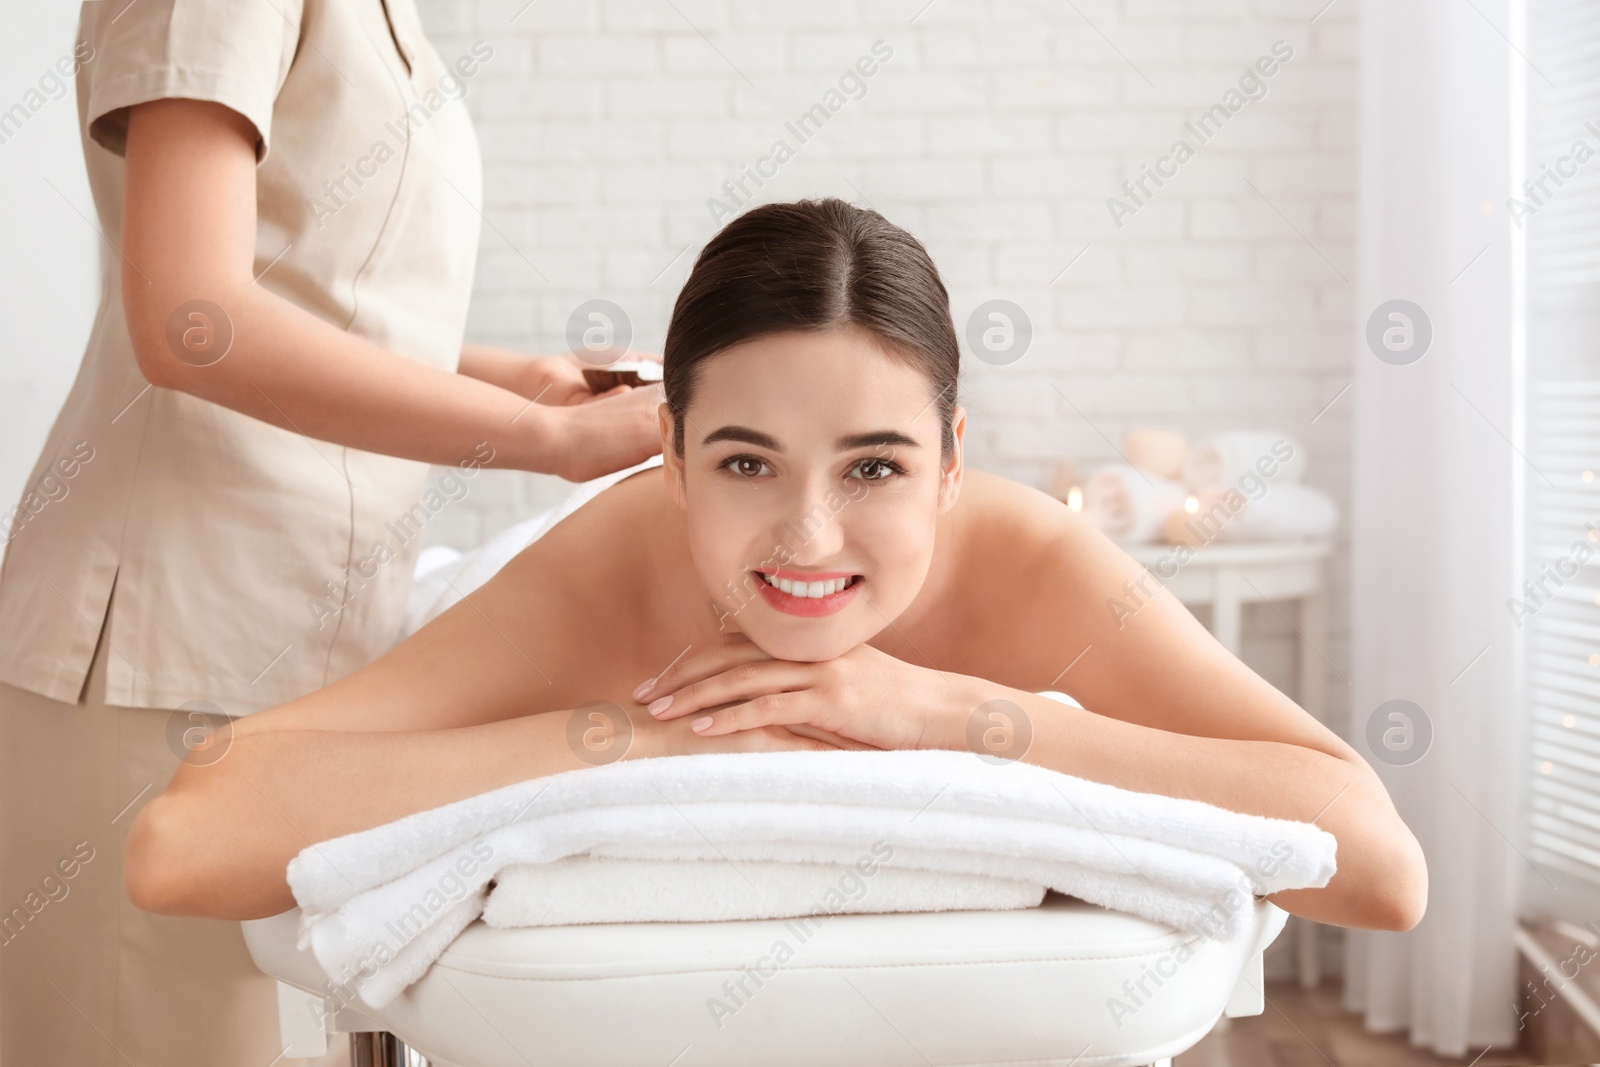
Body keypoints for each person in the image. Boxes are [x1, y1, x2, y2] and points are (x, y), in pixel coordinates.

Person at [126, 197, 1429, 939]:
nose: (808, 538)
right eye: (747, 464)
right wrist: (632, 736)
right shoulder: (610, 571)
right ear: (674, 457)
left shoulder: (1030, 557)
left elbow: (1379, 863)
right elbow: (185, 839)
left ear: (953, 458)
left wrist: (943, 714)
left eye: (874, 467)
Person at [0, 2, 658, 1064]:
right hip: (167, 639)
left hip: (297, 645)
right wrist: (540, 437)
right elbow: (190, 315)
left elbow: (316, 296)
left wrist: (522, 380)